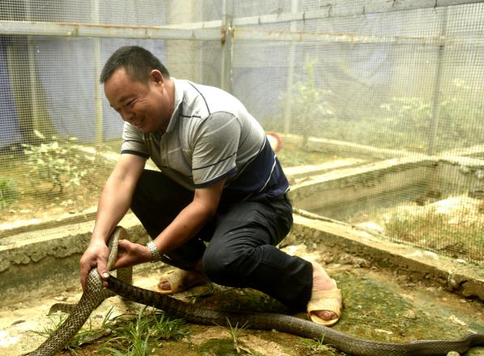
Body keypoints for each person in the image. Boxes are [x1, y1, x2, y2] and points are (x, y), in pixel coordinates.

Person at [79, 46, 342, 326]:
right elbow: (122, 179)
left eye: (129, 103)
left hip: (260, 204)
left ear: (157, 80)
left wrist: (152, 251)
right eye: (118, 109)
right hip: (209, 200)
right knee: (139, 186)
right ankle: (197, 267)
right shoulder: (140, 119)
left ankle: (307, 278)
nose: (125, 116)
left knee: (225, 260)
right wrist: (97, 240)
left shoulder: (211, 116)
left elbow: (204, 205)